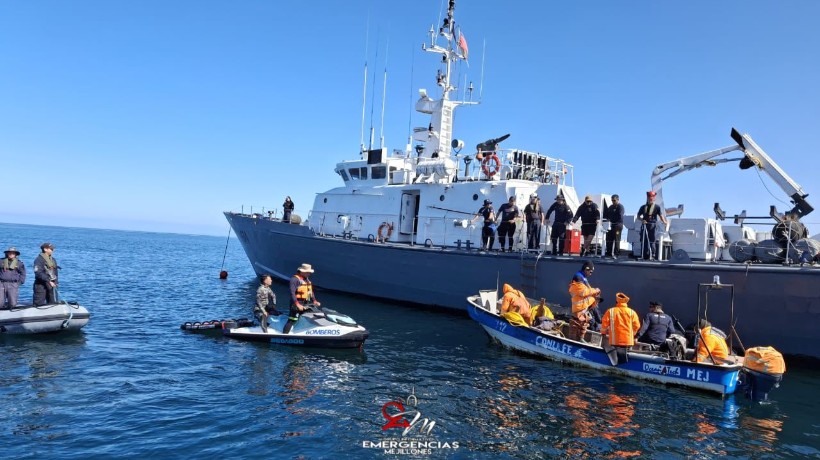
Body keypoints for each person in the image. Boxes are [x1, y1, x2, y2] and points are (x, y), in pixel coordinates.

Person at [568, 261, 602, 341]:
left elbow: (588, 289)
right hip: (580, 307)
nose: (591, 274)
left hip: (583, 306)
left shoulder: (583, 278)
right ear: (586, 269)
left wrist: (595, 293)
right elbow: (583, 292)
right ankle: (580, 339)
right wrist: (595, 290)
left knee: (587, 321)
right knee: (582, 322)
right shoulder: (578, 277)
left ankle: (597, 326)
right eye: (590, 271)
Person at [283, 263, 321, 334]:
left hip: (306, 303)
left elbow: (310, 291)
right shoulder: (294, 280)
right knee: (292, 320)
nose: (309, 273)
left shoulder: (306, 280)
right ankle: (284, 335)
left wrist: (315, 301)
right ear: (302, 271)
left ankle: (306, 331)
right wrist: (297, 304)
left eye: (310, 272)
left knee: (311, 315)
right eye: (308, 272)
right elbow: (292, 293)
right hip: (297, 303)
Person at [636, 191, 668, 260]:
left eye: (652, 198)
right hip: (644, 225)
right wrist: (642, 220)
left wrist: (665, 222)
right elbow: (638, 216)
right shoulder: (643, 207)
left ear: (654, 198)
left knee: (652, 240)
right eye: (649, 197)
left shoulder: (657, 207)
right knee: (643, 240)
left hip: (652, 225)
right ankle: (644, 255)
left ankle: (653, 255)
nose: (650, 199)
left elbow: (661, 216)